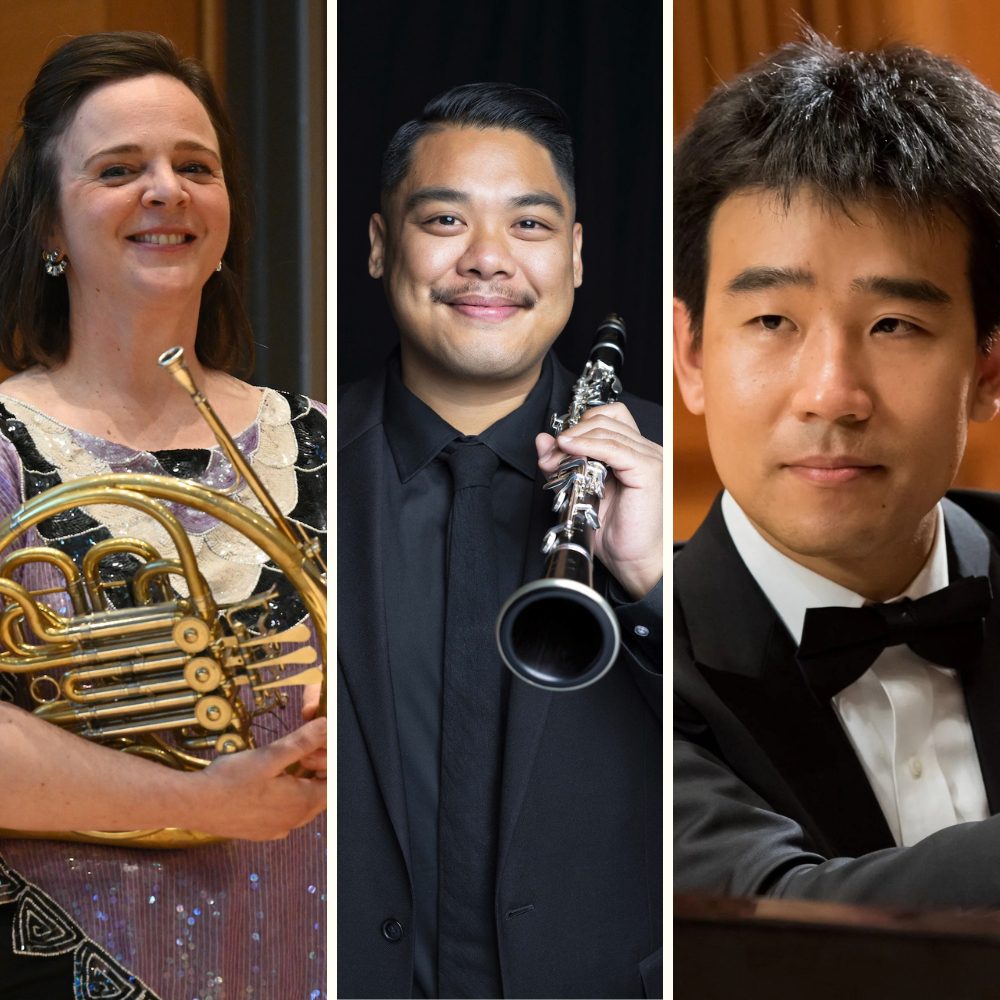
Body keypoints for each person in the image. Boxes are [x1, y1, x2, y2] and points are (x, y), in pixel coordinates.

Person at [0, 32, 327, 998]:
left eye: (196, 166)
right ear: (50, 226)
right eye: (118, 169)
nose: (165, 190)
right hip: (64, 964)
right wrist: (201, 800)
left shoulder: (325, 442)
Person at [338, 83, 663, 998]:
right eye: (445, 219)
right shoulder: (289, 464)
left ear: (575, 256)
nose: (487, 259)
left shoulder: (680, 471)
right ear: (379, 245)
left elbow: (754, 767)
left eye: (528, 225)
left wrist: (653, 580)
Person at [673, 30, 1000, 906]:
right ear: (691, 356)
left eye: (895, 325)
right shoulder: (613, 669)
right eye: (772, 322)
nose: (832, 396)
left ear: (987, 369)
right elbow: (773, 921)